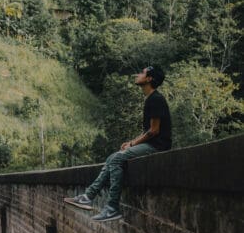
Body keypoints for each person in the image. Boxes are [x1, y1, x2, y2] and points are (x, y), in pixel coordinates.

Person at [64, 65, 171, 222]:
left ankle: (112, 207)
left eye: (142, 73)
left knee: (116, 159)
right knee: (112, 157)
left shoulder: (156, 99)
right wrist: (131, 142)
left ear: (149, 79)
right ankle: (88, 196)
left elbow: (154, 131)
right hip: (152, 144)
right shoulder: (151, 98)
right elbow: (149, 130)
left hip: (157, 146)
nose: (138, 74)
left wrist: (133, 143)